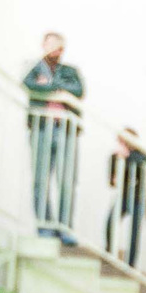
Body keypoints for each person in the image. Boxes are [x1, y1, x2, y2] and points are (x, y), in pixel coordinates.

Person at [22, 32, 84, 237]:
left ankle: (64, 227)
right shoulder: (34, 67)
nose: (54, 50)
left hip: (65, 130)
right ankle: (44, 225)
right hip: (41, 129)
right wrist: (56, 89)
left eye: (58, 46)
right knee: (40, 179)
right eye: (50, 45)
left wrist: (49, 86)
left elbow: (77, 89)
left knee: (66, 180)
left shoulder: (69, 71)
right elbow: (27, 83)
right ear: (43, 46)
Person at [105, 127, 146, 268]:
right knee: (110, 223)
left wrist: (128, 157)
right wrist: (119, 161)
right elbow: (112, 182)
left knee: (134, 232)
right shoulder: (115, 157)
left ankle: (130, 264)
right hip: (124, 196)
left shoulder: (140, 155)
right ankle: (109, 253)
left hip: (140, 197)